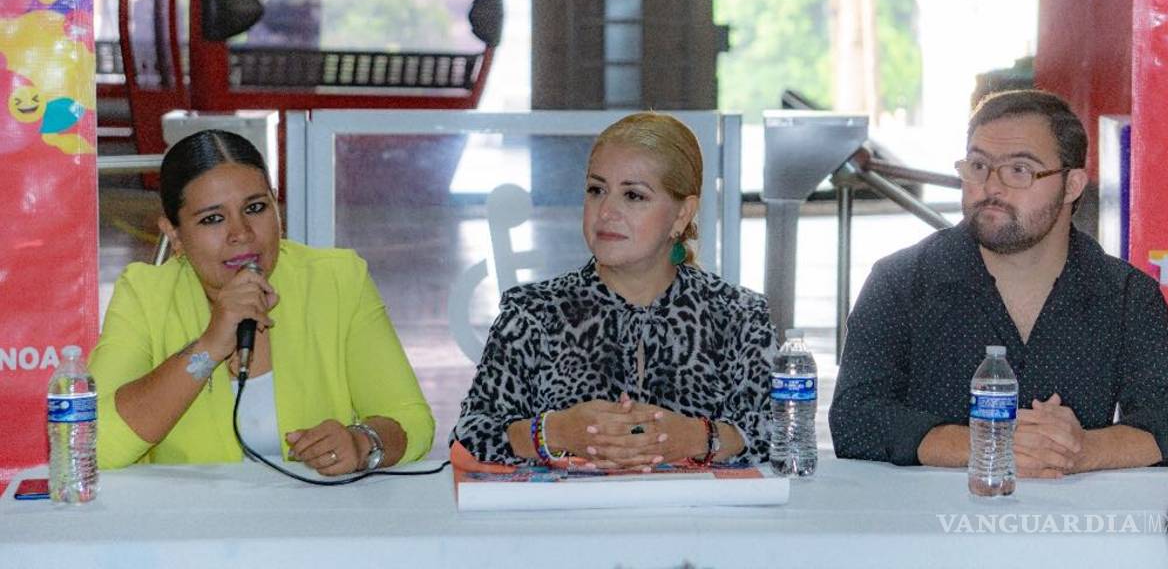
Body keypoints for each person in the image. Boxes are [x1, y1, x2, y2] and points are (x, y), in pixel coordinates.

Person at [829, 89, 1168, 475]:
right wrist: (986, 445)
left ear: (1072, 185)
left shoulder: (1123, 292)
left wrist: (1083, 450)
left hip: (1076, 526)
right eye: (978, 166)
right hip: (930, 524)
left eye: (1019, 170)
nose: (991, 187)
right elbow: (855, 418)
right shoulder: (901, 282)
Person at [90, 130, 434, 474]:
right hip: (190, 522)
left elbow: (412, 421)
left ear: (276, 205)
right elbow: (93, 445)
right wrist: (209, 347)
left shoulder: (338, 280)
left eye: (255, 208)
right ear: (174, 234)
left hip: (316, 518)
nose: (242, 233)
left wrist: (362, 443)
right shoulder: (145, 294)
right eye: (213, 218)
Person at [452, 112, 775, 469]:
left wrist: (699, 437)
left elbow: (781, 435)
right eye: (596, 190)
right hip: (564, 520)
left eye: (634, 195)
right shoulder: (533, 314)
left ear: (682, 214)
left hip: (696, 522)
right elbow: (470, 435)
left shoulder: (737, 316)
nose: (606, 211)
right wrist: (553, 431)